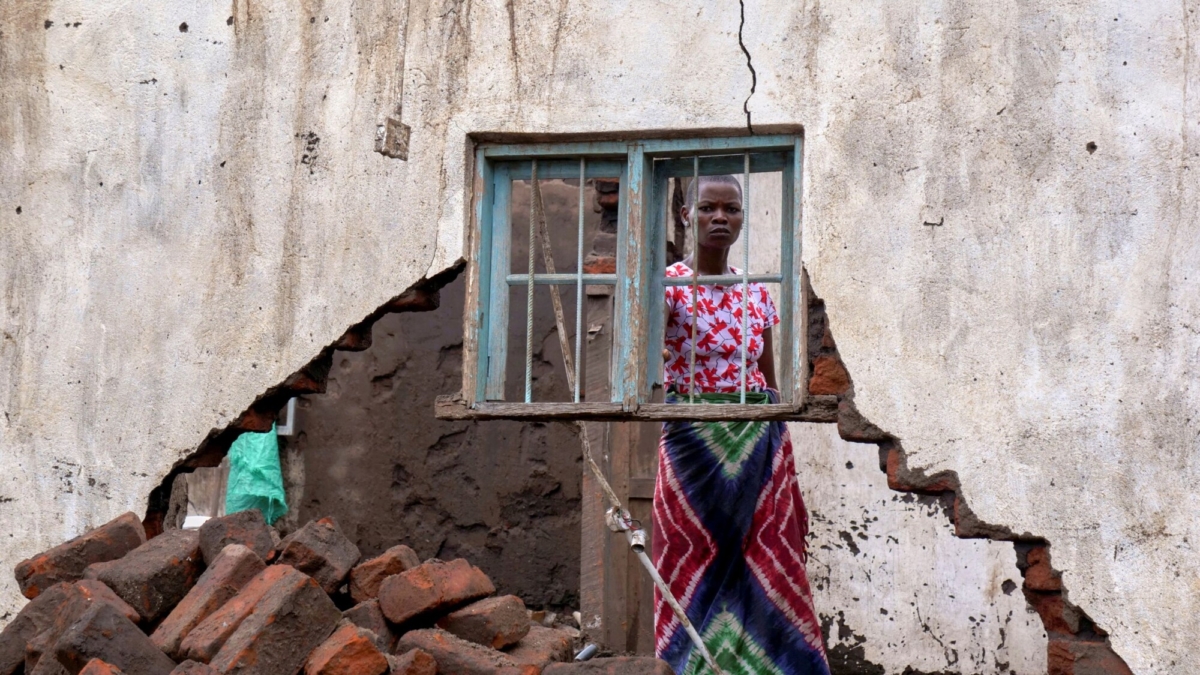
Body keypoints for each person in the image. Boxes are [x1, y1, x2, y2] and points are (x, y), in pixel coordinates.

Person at [652, 175, 830, 674]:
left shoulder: (756, 293)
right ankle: (692, 665)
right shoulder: (670, 287)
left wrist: (781, 449)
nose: (720, 218)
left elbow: (768, 379)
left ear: (742, 217)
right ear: (688, 215)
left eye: (731, 209)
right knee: (692, 555)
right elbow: (646, 354)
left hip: (756, 439)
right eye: (708, 208)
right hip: (693, 444)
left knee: (767, 554)